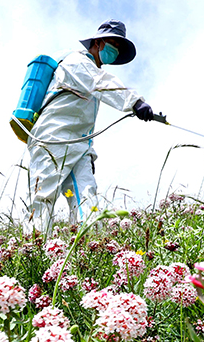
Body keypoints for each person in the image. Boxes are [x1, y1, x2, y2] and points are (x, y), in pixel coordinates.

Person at [25, 20, 162, 234]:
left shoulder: (90, 73)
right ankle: (34, 253)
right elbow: (101, 83)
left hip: (78, 146)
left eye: (118, 48)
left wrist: (88, 152)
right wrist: (135, 102)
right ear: (98, 42)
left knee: (87, 195)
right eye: (114, 44)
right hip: (52, 139)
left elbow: (82, 118)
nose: (115, 51)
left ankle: (89, 249)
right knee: (44, 195)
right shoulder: (76, 62)